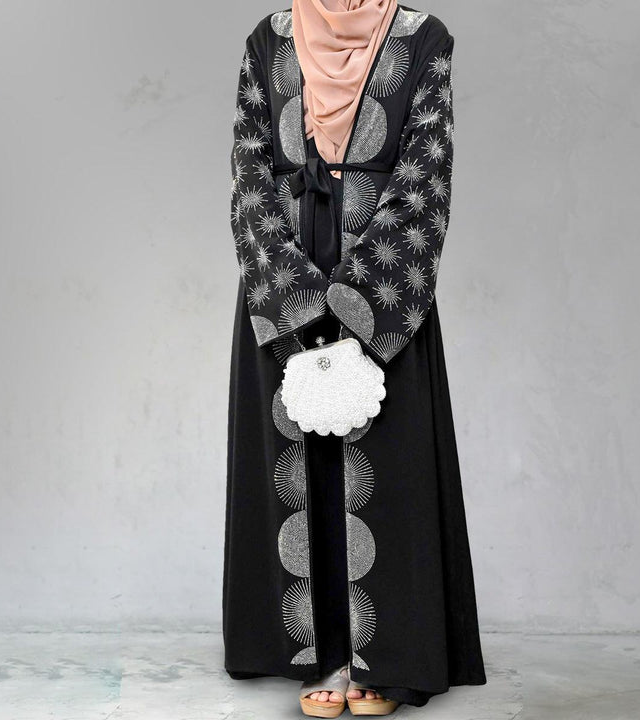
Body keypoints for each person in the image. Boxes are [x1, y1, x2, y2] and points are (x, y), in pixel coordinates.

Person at [223, 1, 487, 715]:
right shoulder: (269, 40)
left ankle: (386, 655)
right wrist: (299, 299)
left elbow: (426, 182)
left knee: (383, 469)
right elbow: (250, 179)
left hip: (384, 289)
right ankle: (321, 654)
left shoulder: (422, 41)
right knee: (299, 468)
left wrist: (355, 304)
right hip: (285, 288)